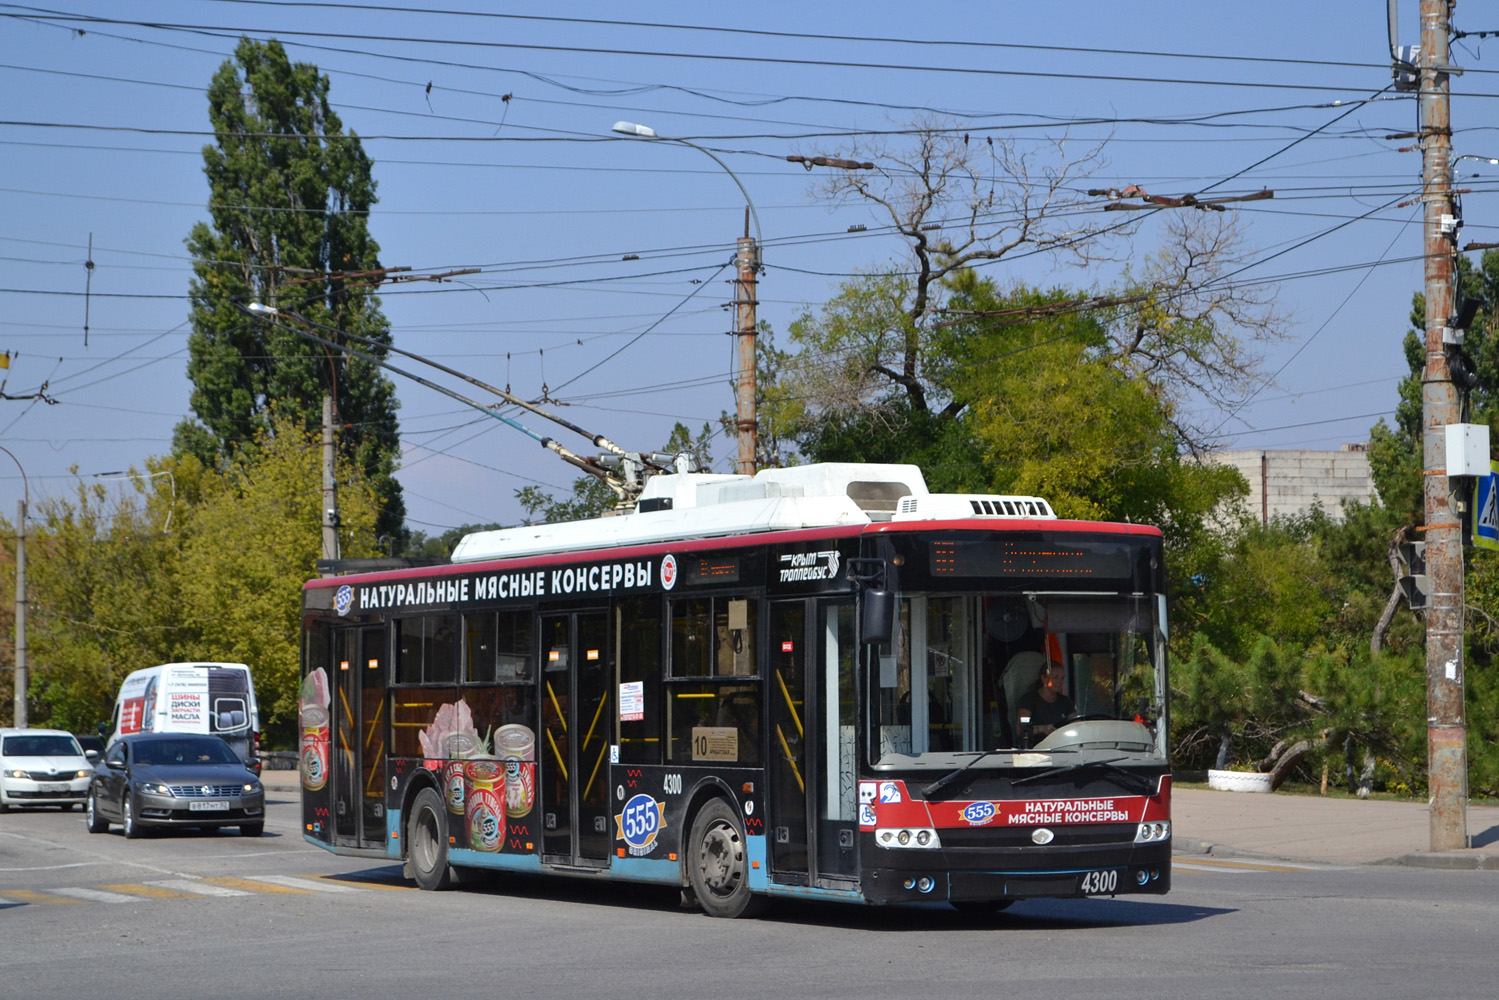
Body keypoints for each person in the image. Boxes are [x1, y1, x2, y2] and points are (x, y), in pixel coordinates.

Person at [1015, 658, 1075, 740]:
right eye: (1055, 678)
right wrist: (1042, 729)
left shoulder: (1065, 701)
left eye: (1062, 678)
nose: (1059, 682)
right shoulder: (1028, 700)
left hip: (1061, 746)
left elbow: (1076, 723)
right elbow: (1021, 730)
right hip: (1036, 749)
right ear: (1044, 678)